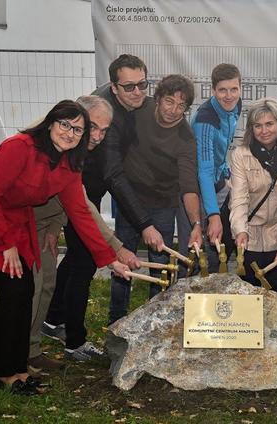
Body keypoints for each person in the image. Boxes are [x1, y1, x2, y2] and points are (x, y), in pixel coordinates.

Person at [0, 100, 130, 395]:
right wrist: (6, 244)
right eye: (65, 124)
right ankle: (5, 375)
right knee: (13, 291)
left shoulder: (69, 165)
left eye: (77, 130)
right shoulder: (21, 147)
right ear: (51, 123)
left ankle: (20, 370)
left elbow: (80, 213)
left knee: (24, 290)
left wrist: (110, 259)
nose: (69, 133)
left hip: (12, 218)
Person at [37, 95, 140, 364]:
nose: (97, 136)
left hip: (76, 212)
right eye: (92, 127)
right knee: (82, 266)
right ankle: (74, 342)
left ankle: (52, 319)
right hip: (66, 215)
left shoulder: (87, 148)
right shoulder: (66, 146)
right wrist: (114, 249)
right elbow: (79, 204)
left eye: (103, 131)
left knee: (74, 262)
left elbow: (80, 201)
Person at [107, 74, 204, 321]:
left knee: (162, 266)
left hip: (163, 205)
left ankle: (155, 319)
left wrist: (196, 224)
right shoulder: (140, 109)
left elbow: (189, 186)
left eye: (181, 105)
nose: (173, 110)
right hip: (130, 201)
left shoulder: (186, 138)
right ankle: (116, 319)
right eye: (169, 101)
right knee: (123, 260)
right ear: (158, 98)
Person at [89, 54, 167, 324]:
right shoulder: (107, 115)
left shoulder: (142, 104)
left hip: (106, 184)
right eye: (129, 87)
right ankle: (61, 319)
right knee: (83, 257)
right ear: (114, 87)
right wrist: (145, 224)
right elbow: (113, 174)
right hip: (84, 186)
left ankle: (57, 318)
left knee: (84, 256)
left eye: (142, 84)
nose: (138, 92)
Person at [178, 63, 242, 273]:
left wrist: (225, 171)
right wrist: (213, 214)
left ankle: (214, 280)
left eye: (234, 89)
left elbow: (223, 147)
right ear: (213, 90)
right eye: (222, 90)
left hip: (219, 180)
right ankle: (188, 286)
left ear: (240, 88)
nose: (229, 96)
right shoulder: (205, 120)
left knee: (219, 241)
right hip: (196, 187)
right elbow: (203, 172)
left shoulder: (236, 105)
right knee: (196, 247)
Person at [228, 98, 277, 294]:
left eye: (269, 124)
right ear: (251, 128)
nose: (264, 130)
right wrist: (240, 231)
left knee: (276, 291)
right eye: (257, 125)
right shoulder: (241, 154)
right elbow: (239, 198)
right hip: (250, 235)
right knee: (250, 294)